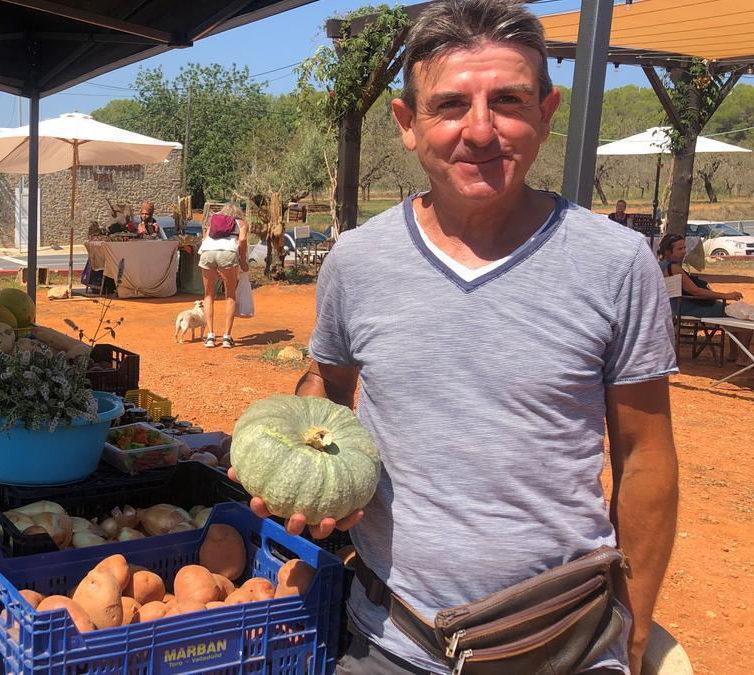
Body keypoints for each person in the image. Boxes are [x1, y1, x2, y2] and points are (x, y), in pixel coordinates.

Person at [230, 1, 678, 673]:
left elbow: (646, 456)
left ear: (548, 111)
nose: (480, 130)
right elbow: (326, 389)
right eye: (448, 106)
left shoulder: (617, 264)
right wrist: (301, 472)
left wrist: (634, 632)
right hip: (388, 641)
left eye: (508, 100)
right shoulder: (357, 261)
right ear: (408, 125)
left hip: (565, 646)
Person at [658, 233, 751, 364]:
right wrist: (725, 295)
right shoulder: (674, 268)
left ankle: (734, 353)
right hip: (690, 307)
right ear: (668, 251)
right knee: (742, 315)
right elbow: (695, 292)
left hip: (676, 306)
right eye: (679, 249)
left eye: (684, 248)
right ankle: (743, 357)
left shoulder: (660, 266)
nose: (684, 252)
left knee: (732, 310)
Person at [197, 203, 248, 348]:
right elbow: (242, 240)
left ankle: (210, 336)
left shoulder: (213, 220)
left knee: (208, 295)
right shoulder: (241, 222)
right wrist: (242, 260)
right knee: (230, 295)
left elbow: (205, 238)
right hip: (229, 253)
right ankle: (226, 337)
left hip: (207, 252)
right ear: (238, 213)